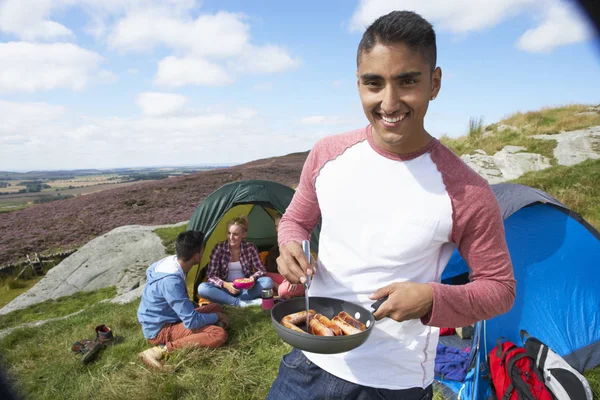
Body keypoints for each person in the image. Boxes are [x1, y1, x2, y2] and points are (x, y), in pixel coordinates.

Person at [268, 10, 516, 400]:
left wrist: (433, 298)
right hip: (310, 359)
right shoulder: (327, 154)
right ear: (358, 84)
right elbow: (296, 221)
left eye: (407, 81)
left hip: (394, 381)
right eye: (373, 83)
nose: (389, 101)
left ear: (434, 83)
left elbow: (500, 289)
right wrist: (289, 248)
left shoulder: (467, 190)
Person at [137, 230, 229, 369]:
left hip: (166, 317)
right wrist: (216, 316)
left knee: (215, 307)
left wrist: (213, 314)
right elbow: (191, 321)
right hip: (159, 329)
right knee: (219, 334)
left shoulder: (169, 262)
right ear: (197, 255)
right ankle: (161, 350)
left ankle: (199, 334)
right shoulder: (171, 281)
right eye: (202, 251)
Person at [197, 216, 273, 307]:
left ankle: (233, 301)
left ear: (244, 234)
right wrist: (225, 284)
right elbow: (211, 275)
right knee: (202, 288)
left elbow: (261, 270)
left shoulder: (250, 247)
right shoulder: (219, 249)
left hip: (246, 289)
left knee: (268, 282)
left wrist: (252, 279)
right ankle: (241, 302)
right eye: (229, 233)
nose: (231, 237)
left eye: (235, 234)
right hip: (225, 289)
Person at [262, 214, 305, 299]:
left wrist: (295, 281)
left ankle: (279, 290)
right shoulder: (278, 245)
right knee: (263, 275)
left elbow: (303, 267)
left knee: (283, 290)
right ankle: (278, 287)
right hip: (283, 278)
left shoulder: (294, 241)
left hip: (297, 280)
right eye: (276, 226)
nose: (278, 229)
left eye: (280, 226)